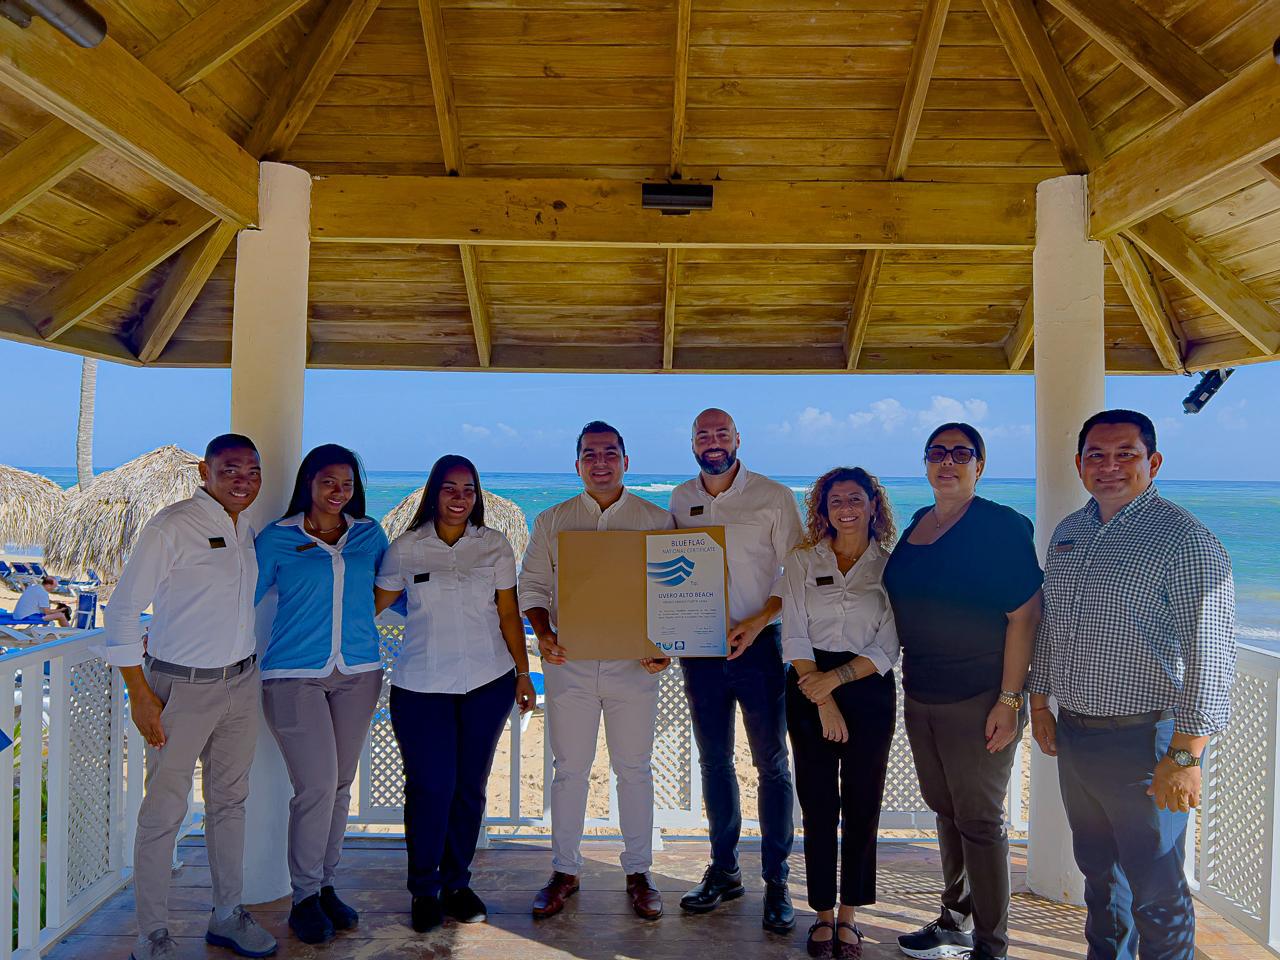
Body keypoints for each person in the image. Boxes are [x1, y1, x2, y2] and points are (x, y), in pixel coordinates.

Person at [1029, 409, 1235, 960]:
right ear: (1079, 464)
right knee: (1100, 878)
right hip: (1075, 735)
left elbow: (1211, 653)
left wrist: (1186, 755)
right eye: (1096, 454)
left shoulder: (1185, 540)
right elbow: (1053, 624)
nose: (1110, 466)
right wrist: (1040, 702)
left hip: (1146, 743)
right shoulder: (1070, 532)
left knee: (1157, 890)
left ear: (1153, 462)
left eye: (1127, 454)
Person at [103, 435, 276, 960]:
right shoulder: (173, 525)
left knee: (230, 803)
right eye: (230, 470)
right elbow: (122, 612)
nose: (243, 479)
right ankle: (151, 935)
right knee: (163, 813)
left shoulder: (245, 528)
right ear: (205, 470)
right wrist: (140, 694)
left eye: (252, 470)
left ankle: (227, 915)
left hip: (241, 684)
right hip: (179, 686)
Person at [882, 423, 1042, 960]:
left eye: (960, 453)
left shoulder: (1001, 526)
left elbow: (1024, 617)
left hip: (980, 697)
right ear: (925, 463)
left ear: (980, 464)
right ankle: (953, 919)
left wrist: (1010, 700)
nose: (947, 462)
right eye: (936, 453)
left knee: (979, 819)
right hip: (922, 691)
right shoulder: (916, 524)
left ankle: (991, 946)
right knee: (945, 810)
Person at [373, 455, 536, 933]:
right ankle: (424, 889)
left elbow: (509, 614)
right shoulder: (406, 549)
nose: (460, 497)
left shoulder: (495, 545)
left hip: (489, 683)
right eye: (450, 488)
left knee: (469, 790)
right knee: (430, 789)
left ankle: (457, 885)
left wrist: (523, 675)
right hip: (421, 687)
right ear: (433, 492)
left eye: (468, 488)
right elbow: (369, 606)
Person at [519, 421, 674, 921]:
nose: (600, 462)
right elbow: (533, 588)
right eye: (590, 454)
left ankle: (639, 872)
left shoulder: (656, 519)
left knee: (634, 770)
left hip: (635, 666)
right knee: (569, 771)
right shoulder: (551, 521)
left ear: (626, 462)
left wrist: (665, 647)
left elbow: (675, 595)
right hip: (571, 665)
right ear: (578, 464)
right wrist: (543, 634)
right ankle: (565, 870)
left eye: (610, 453)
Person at [669, 408, 802, 932]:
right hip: (699, 650)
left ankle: (778, 881)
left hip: (762, 646)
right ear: (693, 442)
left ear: (738, 439)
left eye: (722, 432)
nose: (713, 441)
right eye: (703, 433)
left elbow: (794, 571)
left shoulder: (773, 497)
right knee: (714, 762)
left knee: (772, 764)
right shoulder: (681, 499)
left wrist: (757, 621)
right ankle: (724, 872)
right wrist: (663, 638)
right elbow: (667, 571)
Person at [253, 445, 388, 944]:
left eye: (347, 483)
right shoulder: (277, 540)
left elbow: (392, 589)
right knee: (315, 787)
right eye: (329, 481)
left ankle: (326, 884)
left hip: (360, 672)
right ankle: (304, 895)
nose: (339, 491)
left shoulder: (370, 535)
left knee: (339, 786)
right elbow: (241, 596)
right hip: (292, 675)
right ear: (308, 482)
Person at [785, 467, 900, 959]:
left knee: (862, 803)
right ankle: (822, 914)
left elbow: (890, 643)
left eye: (856, 498)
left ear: (874, 504)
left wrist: (837, 682)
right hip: (809, 684)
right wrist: (824, 698)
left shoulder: (892, 566)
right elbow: (792, 632)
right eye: (836, 499)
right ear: (822, 508)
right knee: (816, 803)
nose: (846, 507)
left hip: (868, 687)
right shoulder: (801, 561)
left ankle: (850, 914)